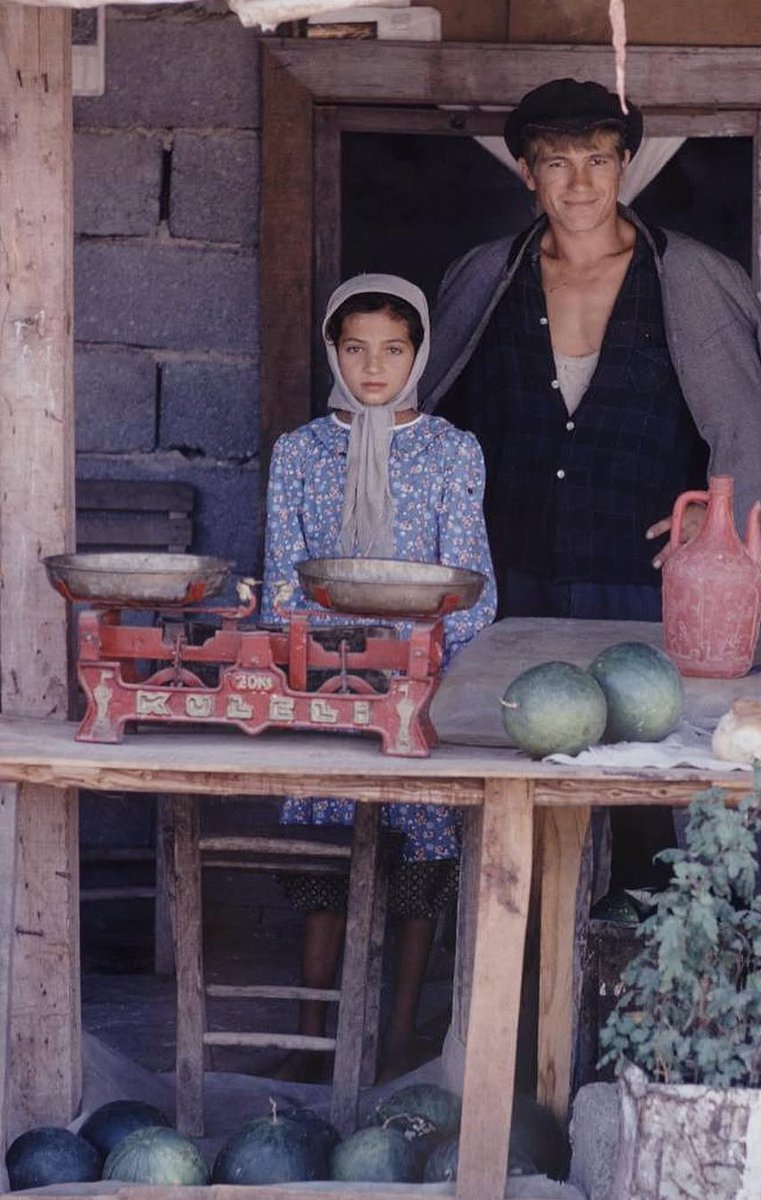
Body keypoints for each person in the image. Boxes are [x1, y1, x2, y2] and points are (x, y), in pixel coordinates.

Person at [420, 78, 761, 886]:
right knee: (509, 788)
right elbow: (425, 422)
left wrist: (725, 525)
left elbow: (740, 428)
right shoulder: (486, 278)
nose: (580, 183)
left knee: (642, 793)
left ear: (626, 164)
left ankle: (637, 981)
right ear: (527, 173)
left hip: (639, 582)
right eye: (556, 163)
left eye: (598, 159)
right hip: (510, 577)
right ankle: (520, 985)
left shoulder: (691, 280)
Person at [261, 274, 496, 1080]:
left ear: (418, 353)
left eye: (393, 350)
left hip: (419, 693)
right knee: (324, 861)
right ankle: (311, 1041)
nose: (373, 367)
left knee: (420, 866)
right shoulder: (300, 454)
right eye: (355, 349)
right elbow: (283, 586)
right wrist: (336, 655)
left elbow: (474, 588)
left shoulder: (451, 451)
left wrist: (412, 661)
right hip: (323, 687)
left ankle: (396, 1039)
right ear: (333, 351)